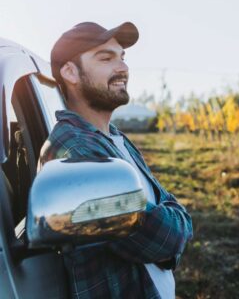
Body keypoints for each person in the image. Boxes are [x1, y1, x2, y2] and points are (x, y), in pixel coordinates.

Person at [39, 21, 193, 299]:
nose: (123, 68)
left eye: (122, 58)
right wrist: (178, 219)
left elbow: (162, 206)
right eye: (106, 58)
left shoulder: (113, 138)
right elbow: (163, 239)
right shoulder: (74, 152)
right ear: (70, 72)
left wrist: (172, 217)